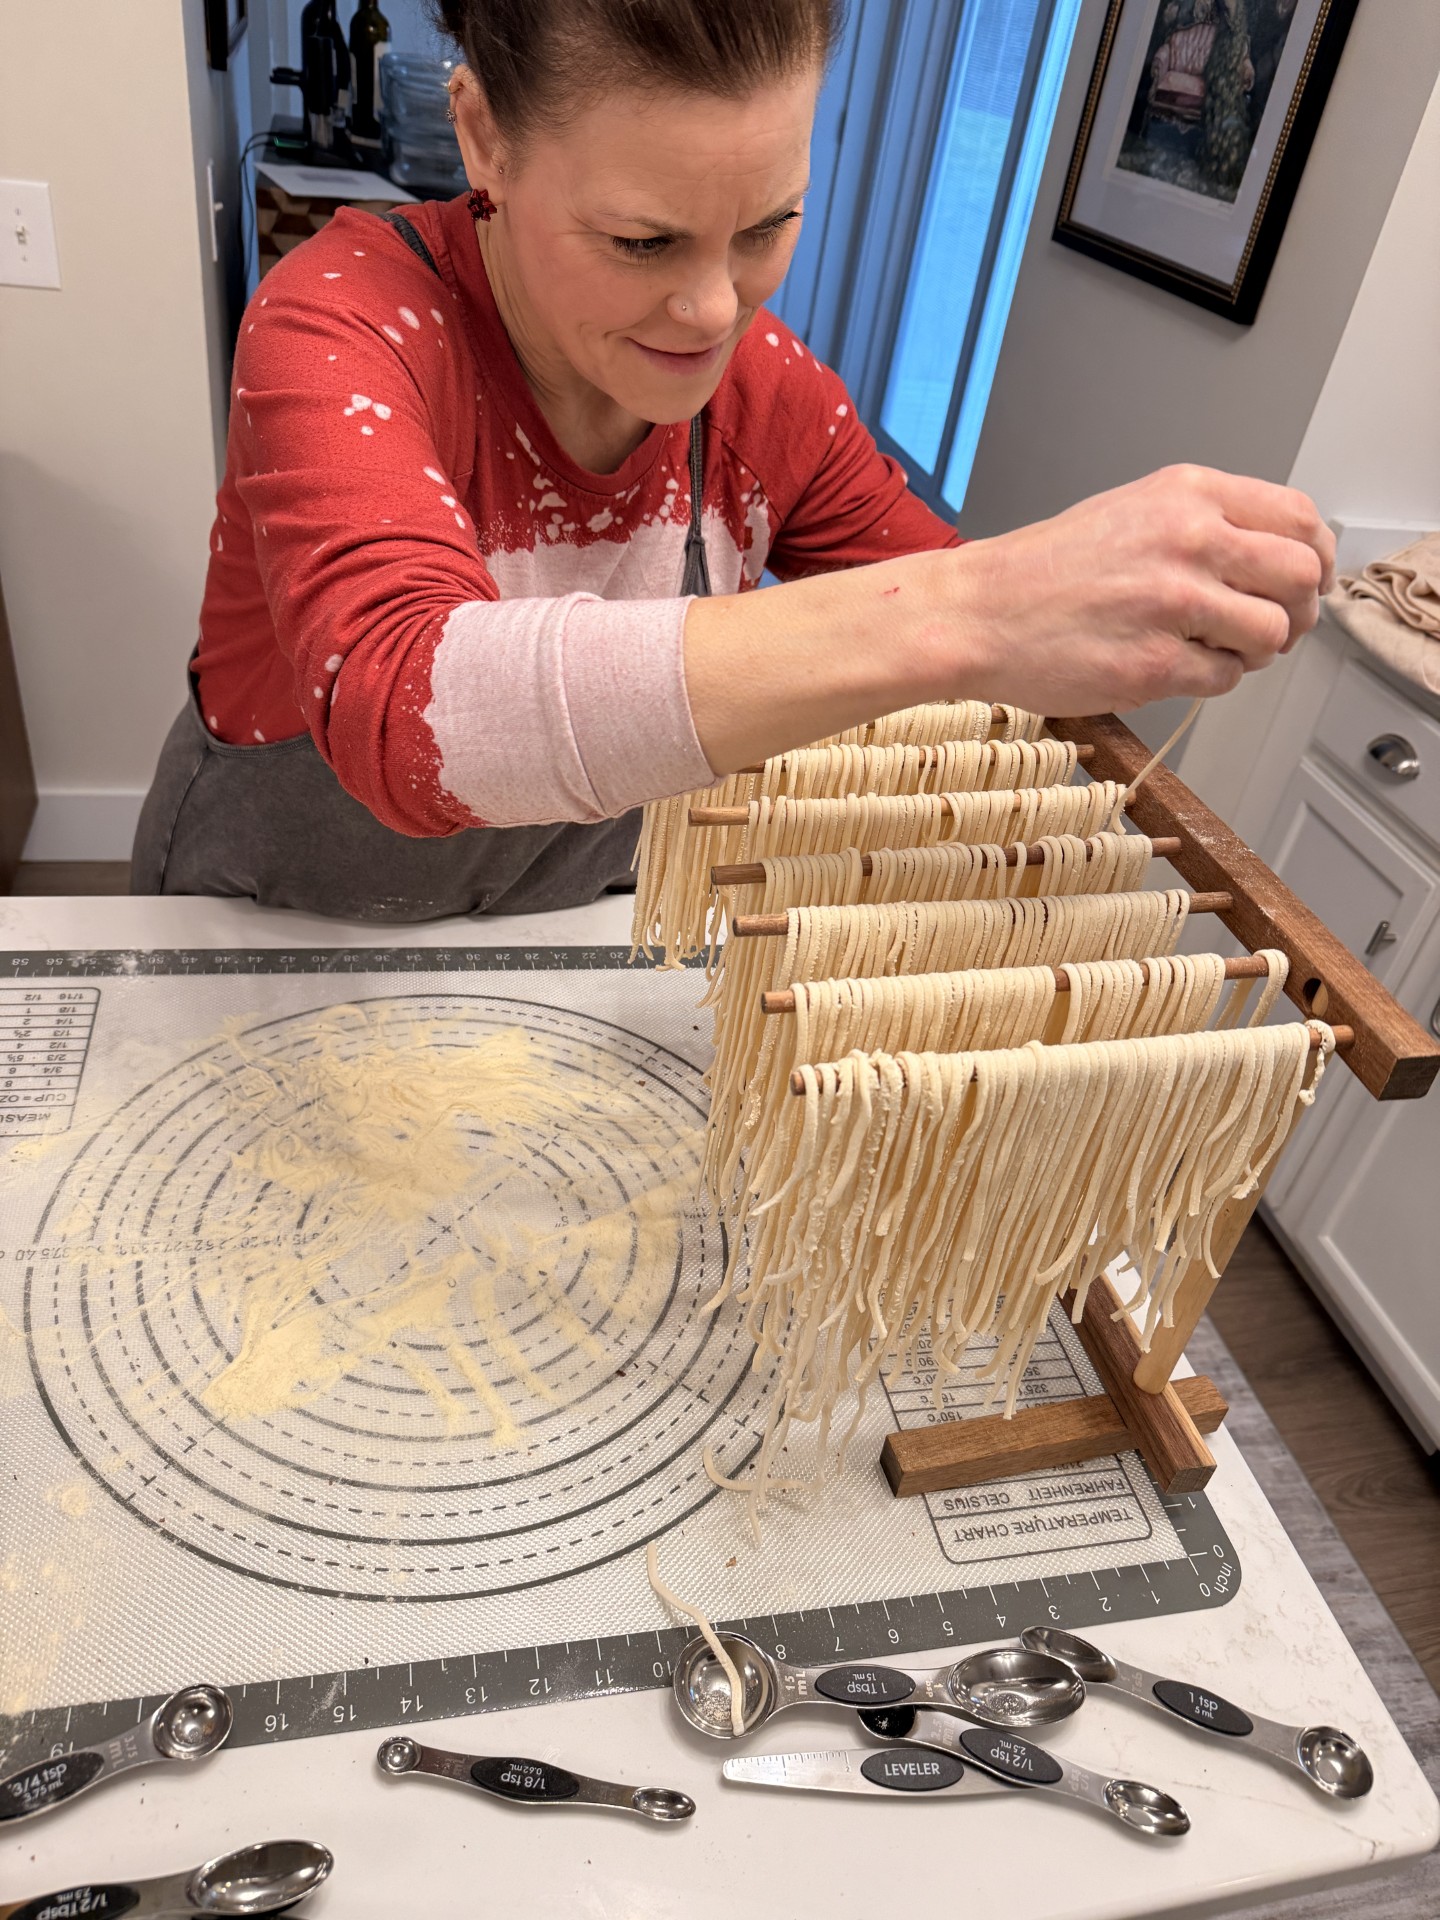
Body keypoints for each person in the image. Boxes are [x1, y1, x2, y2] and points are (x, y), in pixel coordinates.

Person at [132, 0, 1333, 922]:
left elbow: (1007, 660)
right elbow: (411, 706)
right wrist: (979, 605)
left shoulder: (770, 401)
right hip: (270, 941)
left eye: (769, 224)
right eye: (642, 239)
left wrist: (1151, 601)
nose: (713, 311)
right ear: (483, 134)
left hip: (562, 949)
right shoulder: (341, 323)